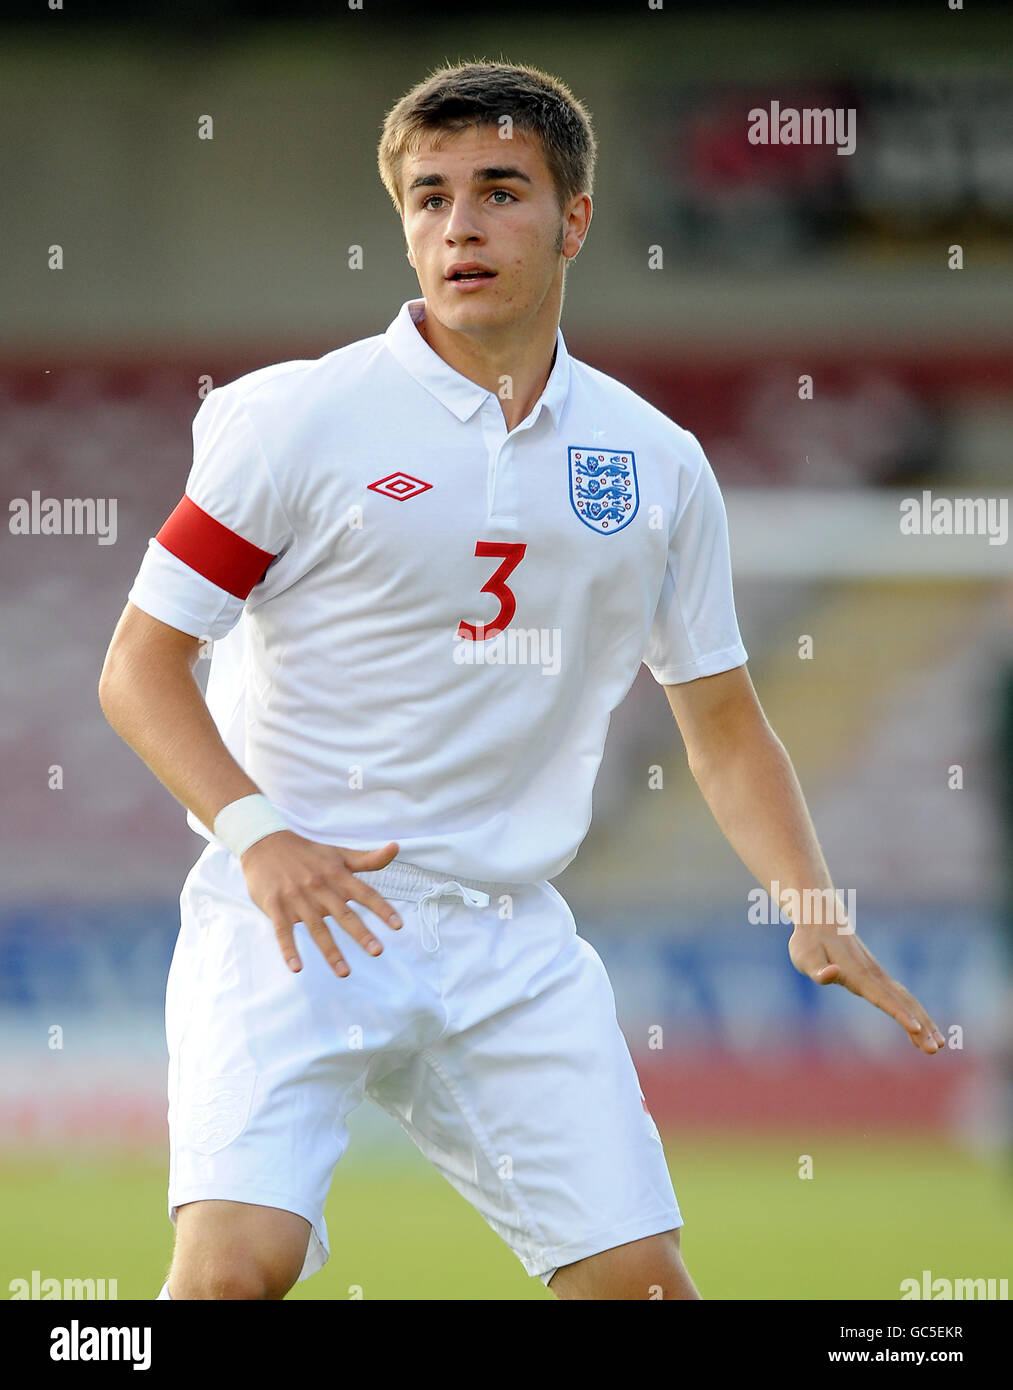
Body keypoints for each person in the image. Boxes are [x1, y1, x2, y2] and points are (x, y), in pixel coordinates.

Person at [98, 59, 944, 1302]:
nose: (460, 226)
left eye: (499, 191)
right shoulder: (296, 421)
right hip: (290, 918)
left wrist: (807, 902)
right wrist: (259, 834)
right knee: (234, 1272)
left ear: (575, 219)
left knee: (641, 1291)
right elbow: (139, 666)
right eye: (430, 197)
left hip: (506, 939)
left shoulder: (653, 463)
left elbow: (718, 719)